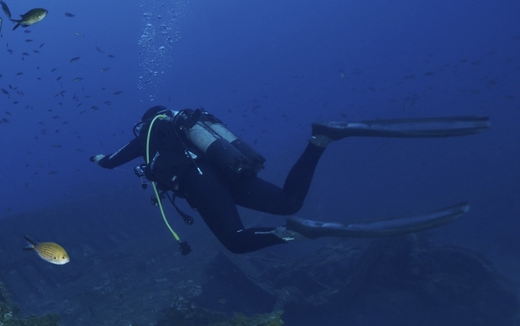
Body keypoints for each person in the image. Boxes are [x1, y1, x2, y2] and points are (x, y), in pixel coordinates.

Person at [90, 106, 489, 255]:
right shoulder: (191, 125)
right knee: (288, 201)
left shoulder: (150, 131)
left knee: (236, 242)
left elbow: (113, 162)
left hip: (200, 181)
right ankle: (321, 139)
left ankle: (295, 234)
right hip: (229, 173)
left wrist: (99, 158)